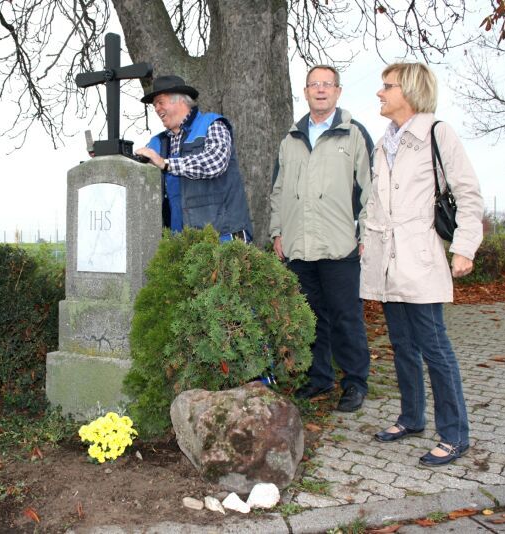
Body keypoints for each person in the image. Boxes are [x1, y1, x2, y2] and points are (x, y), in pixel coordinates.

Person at [361, 63, 483, 466]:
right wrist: (366, 242)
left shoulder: (437, 133)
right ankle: (412, 418)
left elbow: (467, 192)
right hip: (386, 261)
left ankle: (454, 434)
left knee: (434, 348)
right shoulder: (385, 142)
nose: (380, 93)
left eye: (387, 86)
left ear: (410, 91)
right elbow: (374, 202)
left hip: (420, 258)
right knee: (401, 346)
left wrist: (464, 246)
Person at [268, 65, 373, 412]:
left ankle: (355, 382)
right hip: (299, 246)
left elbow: (369, 191)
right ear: (306, 91)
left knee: (346, 317)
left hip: (339, 245)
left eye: (327, 84)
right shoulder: (290, 139)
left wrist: (366, 233)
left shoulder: (354, 134)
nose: (321, 90)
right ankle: (319, 378)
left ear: (338, 91)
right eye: (314, 84)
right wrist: (277, 232)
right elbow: (278, 190)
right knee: (310, 318)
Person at [134, 75, 253, 243]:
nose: (157, 109)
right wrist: (109, 159)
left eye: (161, 102)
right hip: (181, 243)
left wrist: (166, 163)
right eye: (154, 105)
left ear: (180, 100)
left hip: (223, 238)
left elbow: (215, 161)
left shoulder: (212, 124)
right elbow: (137, 173)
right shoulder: (157, 142)